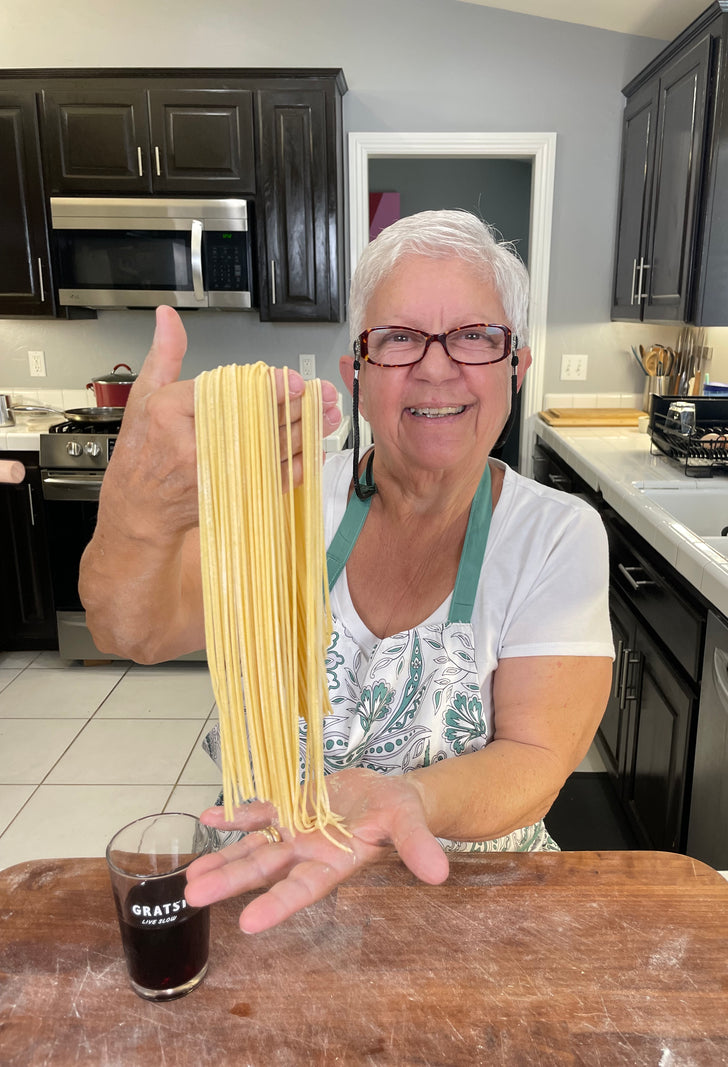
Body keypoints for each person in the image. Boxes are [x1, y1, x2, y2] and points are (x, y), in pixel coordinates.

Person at [79, 209, 613, 934]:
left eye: (474, 336)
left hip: (466, 904)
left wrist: (409, 800)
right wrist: (136, 508)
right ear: (354, 374)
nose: (435, 365)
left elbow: (536, 757)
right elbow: (128, 632)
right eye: (397, 337)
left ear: (515, 367)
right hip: (268, 884)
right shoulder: (284, 498)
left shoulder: (556, 535)